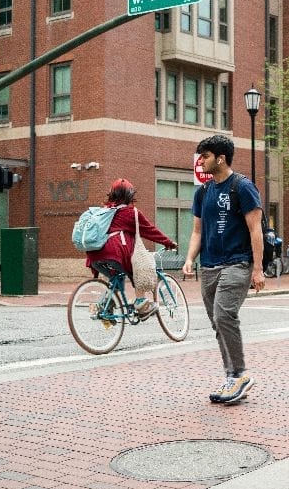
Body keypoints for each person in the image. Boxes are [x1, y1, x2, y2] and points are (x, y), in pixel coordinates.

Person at [182, 135, 265, 405]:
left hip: (237, 262)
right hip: (209, 266)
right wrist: (189, 258)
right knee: (218, 322)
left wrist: (258, 269)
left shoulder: (242, 187)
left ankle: (240, 374)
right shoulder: (203, 192)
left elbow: (255, 230)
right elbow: (197, 231)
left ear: (220, 158)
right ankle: (232, 376)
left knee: (224, 314)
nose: (201, 161)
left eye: (204, 156)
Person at [85, 178, 177, 319]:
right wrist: (168, 242)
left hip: (94, 256)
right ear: (129, 195)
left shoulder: (105, 212)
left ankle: (105, 307)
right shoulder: (130, 212)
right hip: (114, 253)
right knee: (140, 268)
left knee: (116, 278)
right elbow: (150, 230)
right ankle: (141, 303)